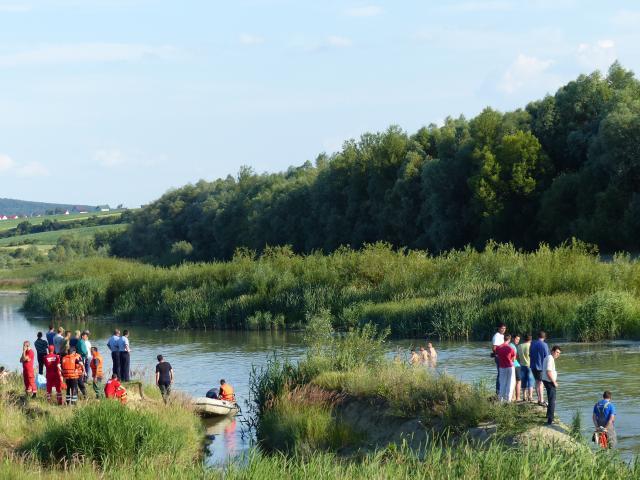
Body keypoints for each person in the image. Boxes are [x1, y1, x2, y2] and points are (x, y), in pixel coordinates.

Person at [542, 346, 561, 425]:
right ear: (552, 351)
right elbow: (548, 372)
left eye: (559, 353)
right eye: (556, 352)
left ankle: (548, 415)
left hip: (547, 380)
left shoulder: (549, 357)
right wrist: (554, 382)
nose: (558, 354)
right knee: (552, 400)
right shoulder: (550, 358)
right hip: (549, 381)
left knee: (550, 398)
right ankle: (550, 420)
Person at [530, 330, 550, 406]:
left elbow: (529, 354)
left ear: (538, 336)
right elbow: (547, 356)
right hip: (540, 367)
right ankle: (541, 400)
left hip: (533, 366)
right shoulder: (544, 345)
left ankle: (539, 399)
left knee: (537, 382)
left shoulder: (532, 343)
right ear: (544, 337)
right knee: (541, 383)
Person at [495, 334, 516, 402]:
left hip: (502, 367)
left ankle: (500, 399)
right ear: (509, 340)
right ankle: (508, 400)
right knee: (510, 383)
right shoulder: (511, 348)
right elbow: (513, 359)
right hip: (510, 367)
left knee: (502, 383)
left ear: (503, 339)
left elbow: (497, 354)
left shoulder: (498, 347)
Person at [517, 334, 534, 402]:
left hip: (522, 365)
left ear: (524, 339)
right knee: (531, 381)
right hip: (530, 365)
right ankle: (530, 396)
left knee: (523, 381)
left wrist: (520, 362)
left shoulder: (519, 346)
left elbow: (517, 357)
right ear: (530, 339)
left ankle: (524, 396)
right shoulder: (531, 346)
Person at [491, 323, 507, 396]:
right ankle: (498, 392)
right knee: (500, 374)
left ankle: (501, 391)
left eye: (504, 328)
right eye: (502, 328)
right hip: (499, 357)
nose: (503, 330)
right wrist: (497, 355)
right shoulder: (497, 336)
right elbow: (494, 348)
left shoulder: (502, 336)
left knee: (502, 374)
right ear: (499, 328)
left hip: (502, 357)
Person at [510, 334, 521, 402]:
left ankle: (512, 397)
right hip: (516, 365)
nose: (517, 341)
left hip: (510, 366)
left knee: (513, 382)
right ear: (513, 338)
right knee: (518, 382)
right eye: (516, 339)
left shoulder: (509, 345)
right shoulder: (513, 347)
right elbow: (513, 359)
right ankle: (517, 398)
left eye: (519, 340)